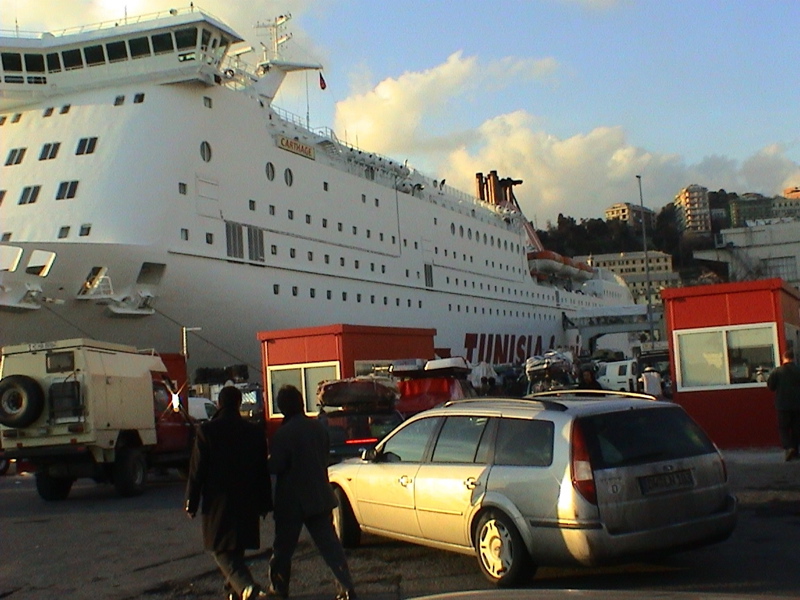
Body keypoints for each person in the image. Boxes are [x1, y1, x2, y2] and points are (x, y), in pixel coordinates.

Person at [267, 385, 358, 600]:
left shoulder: (284, 434)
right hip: (319, 495)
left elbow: (276, 467)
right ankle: (346, 587)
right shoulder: (318, 428)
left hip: (291, 502)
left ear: (283, 407)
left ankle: (279, 590)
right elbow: (324, 456)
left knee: (282, 550)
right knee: (331, 548)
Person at [185, 386, 273, 600]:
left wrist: (191, 501)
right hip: (247, 498)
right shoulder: (254, 432)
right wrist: (264, 501)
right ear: (239, 403)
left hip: (218, 500)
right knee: (236, 546)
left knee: (219, 549)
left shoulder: (207, 431)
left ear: (219, 403)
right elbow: (262, 470)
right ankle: (232, 591)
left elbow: (197, 470)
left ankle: (245, 588)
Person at [767, 349, 800, 461]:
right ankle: (796, 451)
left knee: (783, 428)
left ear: (783, 358)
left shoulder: (777, 371)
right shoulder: (798, 370)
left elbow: (771, 386)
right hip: (797, 404)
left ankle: (788, 447)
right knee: (796, 428)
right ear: (793, 358)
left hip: (782, 404)